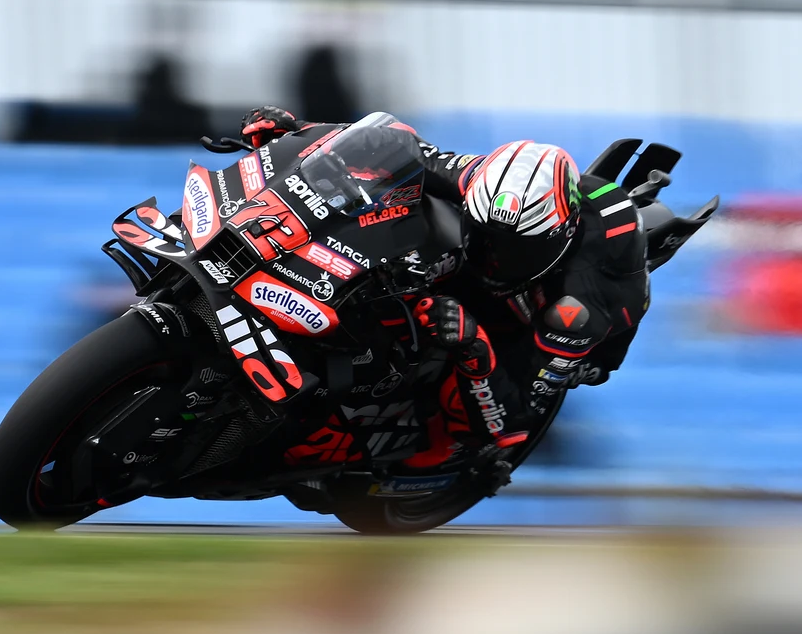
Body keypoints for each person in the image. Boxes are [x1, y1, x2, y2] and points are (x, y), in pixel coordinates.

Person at [238, 106, 650, 482]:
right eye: (486, 238)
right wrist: (297, 132)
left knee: (487, 431)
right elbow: (395, 143)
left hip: (548, 328)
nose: (495, 259)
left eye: (516, 249)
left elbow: (515, 416)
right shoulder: (475, 179)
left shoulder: (577, 307)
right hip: (498, 251)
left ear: (556, 236)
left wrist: (475, 345)